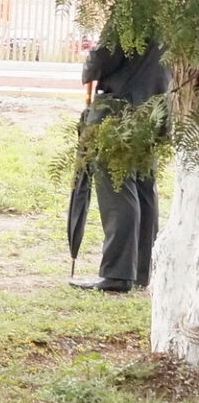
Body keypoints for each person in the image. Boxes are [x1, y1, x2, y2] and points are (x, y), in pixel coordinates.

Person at [71, 33, 172, 293]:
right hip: (154, 109)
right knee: (143, 187)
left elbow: (103, 57)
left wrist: (91, 57)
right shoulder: (165, 12)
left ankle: (117, 274)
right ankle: (140, 271)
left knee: (118, 190)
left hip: (120, 109)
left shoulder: (129, 8)